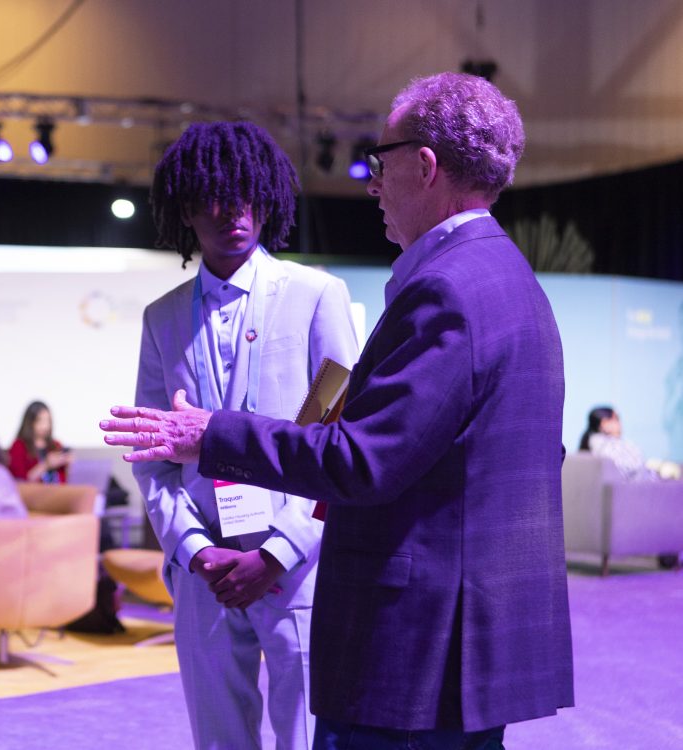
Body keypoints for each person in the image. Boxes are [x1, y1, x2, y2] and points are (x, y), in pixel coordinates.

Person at [102, 72, 575, 750]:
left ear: (425, 165)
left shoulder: (443, 289)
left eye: (379, 162)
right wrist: (195, 547)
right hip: (453, 639)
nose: (371, 183)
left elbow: (358, 454)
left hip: (410, 639)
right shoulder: (505, 278)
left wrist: (213, 438)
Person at [131, 120, 359, 750]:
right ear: (185, 205)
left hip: (299, 570)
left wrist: (278, 552)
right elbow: (153, 458)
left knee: (311, 739)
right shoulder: (164, 318)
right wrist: (195, 551)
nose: (235, 209)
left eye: (248, 191)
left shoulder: (317, 297)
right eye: (214, 193)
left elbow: (340, 441)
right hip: (205, 575)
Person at [579, 406, 662, 481]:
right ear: (604, 424)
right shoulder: (607, 448)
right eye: (616, 419)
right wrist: (656, 470)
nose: (620, 424)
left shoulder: (602, 445)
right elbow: (630, 472)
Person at [9, 400, 73, 483]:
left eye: (48, 421)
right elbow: (19, 482)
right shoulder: (19, 446)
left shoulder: (56, 445)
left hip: (57, 493)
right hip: (33, 494)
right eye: (40, 421)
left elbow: (64, 482)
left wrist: (68, 465)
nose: (45, 426)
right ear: (30, 422)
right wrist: (46, 465)